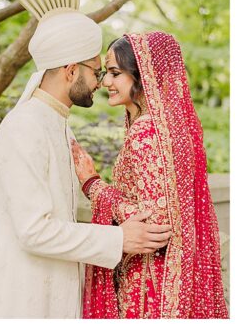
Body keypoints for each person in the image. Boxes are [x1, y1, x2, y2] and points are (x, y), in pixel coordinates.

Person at [0, 0, 172, 318]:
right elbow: (34, 230)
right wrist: (118, 238)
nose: (101, 82)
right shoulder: (24, 128)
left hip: (55, 288)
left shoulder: (58, 126)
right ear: (70, 70)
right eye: (96, 71)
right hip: (23, 296)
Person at [73, 32, 228, 318]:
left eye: (115, 73)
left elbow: (156, 225)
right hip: (173, 279)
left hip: (147, 287)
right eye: (106, 73)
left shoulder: (147, 131)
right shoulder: (172, 127)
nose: (106, 82)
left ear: (143, 75)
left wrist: (93, 186)